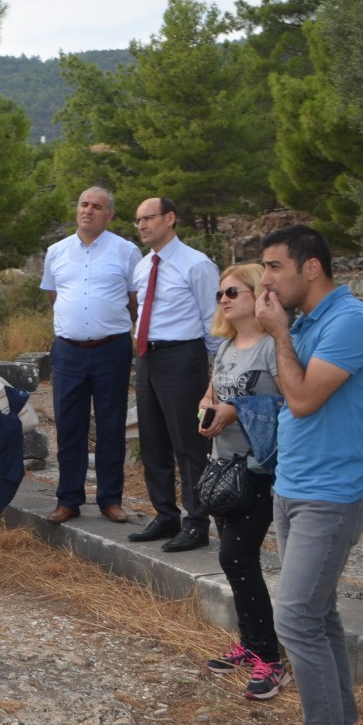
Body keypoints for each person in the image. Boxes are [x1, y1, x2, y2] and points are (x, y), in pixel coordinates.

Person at [251, 225, 363, 725]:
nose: (265, 279)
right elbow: (349, 407)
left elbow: (305, 399)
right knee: (320, 615)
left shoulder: (349, 322)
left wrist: (280, 335)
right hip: (295, 486)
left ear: (311, 268)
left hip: (331, 498)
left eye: (274, 267)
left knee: (296, 620)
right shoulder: (310, 322)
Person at [196, 264, 287, 700]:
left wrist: (238, 410)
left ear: (256, 294)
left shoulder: (271, 347)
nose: (224, 299)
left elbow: (290, 401)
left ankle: (270, 658)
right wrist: (208, 406)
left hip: (257, 471)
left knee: (237, 557)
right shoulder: (227, 347)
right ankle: (251, 646)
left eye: (233, 291)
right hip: (223, 469)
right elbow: (214, 394)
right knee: (233, 559)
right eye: (219, 295)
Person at [41, 187, 140, 525]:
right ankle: (68, 499)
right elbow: (55, 296)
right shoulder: (56, 251)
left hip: (111, 349)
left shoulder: (127, 251)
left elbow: (134, 299)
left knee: (112, 425)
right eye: (83, 204)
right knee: (69, 426)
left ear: (109, 214)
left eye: (97, 207)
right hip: (68, 351)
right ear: (77, 209)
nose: (88, 211)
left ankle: (110, 500)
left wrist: (102, 320)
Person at [127, 196, 220, 552]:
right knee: (152, 441)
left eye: (148, 218)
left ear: (170, 218)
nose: (142, 226)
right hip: (147, 357)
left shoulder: (196, 264)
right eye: (138, 221)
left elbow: (213, 321)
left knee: (189, 443)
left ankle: (197, 522)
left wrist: (213, 376)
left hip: (183, 357)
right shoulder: (143, 265)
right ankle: (165, 514)